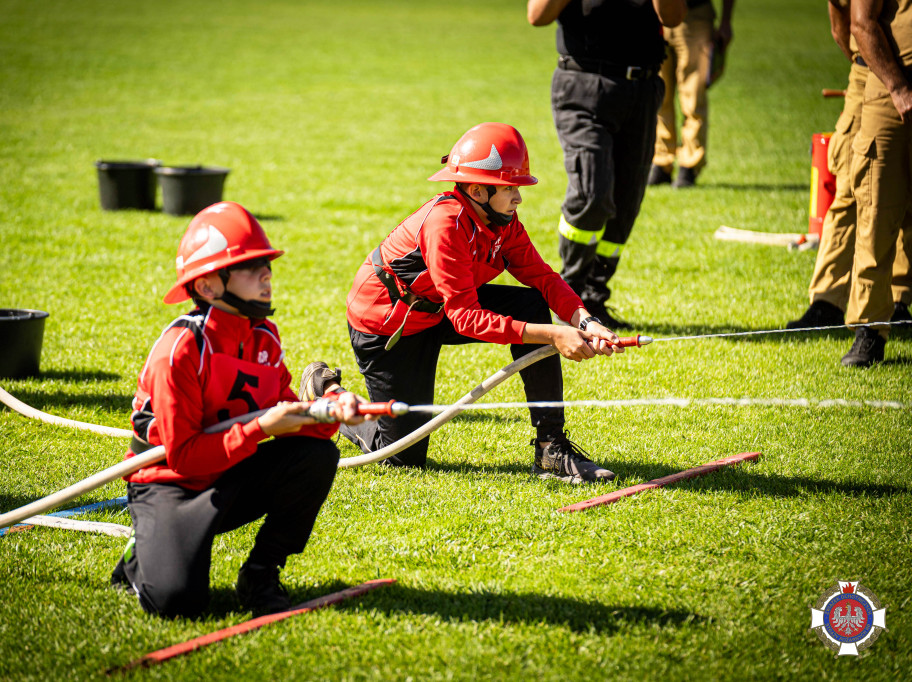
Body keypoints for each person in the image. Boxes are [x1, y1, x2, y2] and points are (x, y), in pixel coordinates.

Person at [110, 201, 376, 618]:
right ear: (209, 286)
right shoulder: (179, 351)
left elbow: (291, 414)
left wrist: (329, 411)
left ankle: (261, 572)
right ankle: (140, 552)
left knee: (317, 455)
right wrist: (260, 429)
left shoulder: (264, 337)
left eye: (266, 264)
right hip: (171, 484)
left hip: (231, 470)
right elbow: (183, 457)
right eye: (251, 267)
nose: (266, 274)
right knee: (177, 605)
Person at [341, 122, 623, 484]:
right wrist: (554, 335)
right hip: (388, 325)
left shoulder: (502, 220)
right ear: (477, 189)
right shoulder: (446, 224)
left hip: (440, 307)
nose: (519, 198)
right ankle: (330, 396)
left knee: (530, 303)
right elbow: (466, 319)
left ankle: (550, 450)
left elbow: (543, 277)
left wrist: (584, 321)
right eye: (511, 189)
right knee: (401, 457)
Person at [528, 0, 687, 329]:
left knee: (626, 203)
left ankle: (595, 298)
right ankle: (568, 297)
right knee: (592, 194)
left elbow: (673, 17)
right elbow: (537, 15)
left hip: (642, 88)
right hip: (583, 83)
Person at [786, 0, 911, 333]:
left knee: (903, 195)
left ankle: (900, 301)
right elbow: (844, 20)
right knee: (853, 189)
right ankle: (828, 301)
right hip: (870, 71)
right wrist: (870, 64)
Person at [844, 0, 912, 365]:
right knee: (877, 211)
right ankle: (870, 330)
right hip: (891, 90)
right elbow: (860, 23)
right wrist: (898, 86)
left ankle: (903, 304)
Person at [648, 0, 736, 188]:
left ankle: (689, 164)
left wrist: (726, 21)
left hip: (694, 14)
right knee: (658, 94)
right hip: (654, 16)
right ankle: (661, 160)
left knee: (693, 96)